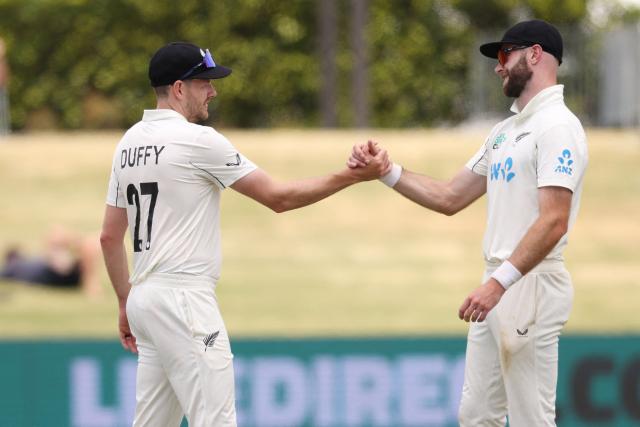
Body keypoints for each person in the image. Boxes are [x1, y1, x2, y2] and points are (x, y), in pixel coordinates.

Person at [99, 41, 388, 427]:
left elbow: (108, 237)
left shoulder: (128, 143)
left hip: (144, 300)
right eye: (205, 82)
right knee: (216, 422)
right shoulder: (199, 140)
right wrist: (353, 176)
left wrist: (124, 301)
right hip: (185, 300)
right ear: (180, 88)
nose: (213, 91)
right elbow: (278, 198)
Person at [349, 20, 588, 426]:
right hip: (498, 282)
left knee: (532, 418)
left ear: (534, 54)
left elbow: (554, 221)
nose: (498, 67)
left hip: (528, 285)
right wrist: (386, 171)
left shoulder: (559, 127)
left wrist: (499, 284)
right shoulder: (504, 132)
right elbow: (449, 196)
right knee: (477, 416)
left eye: (503, 55)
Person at [1, 226, 102, 297]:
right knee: (57, 233)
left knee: (58, 234)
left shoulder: (20, 265)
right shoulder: (14, 266)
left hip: (58, 272)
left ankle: (90, 240)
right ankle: (91, 283)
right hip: (57, 272)